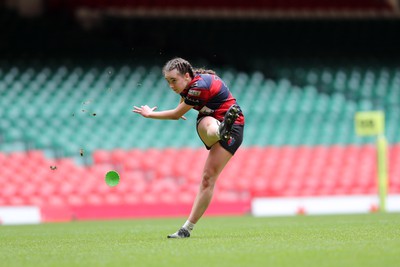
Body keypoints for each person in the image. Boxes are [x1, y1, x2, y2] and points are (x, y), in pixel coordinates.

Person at [133, 57, 245, 238]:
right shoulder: (190, 84)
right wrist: (181, 105)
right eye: (168, 81)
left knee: (206, 129)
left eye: (173, 80)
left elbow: (176, 115)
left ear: (186, 76)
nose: (171, 85)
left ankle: (220, 129)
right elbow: (183, 101)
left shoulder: (199, 86)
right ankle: (219, 130)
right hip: (218, 121)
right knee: (207, 173)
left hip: (234, 126)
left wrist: (150, 114)